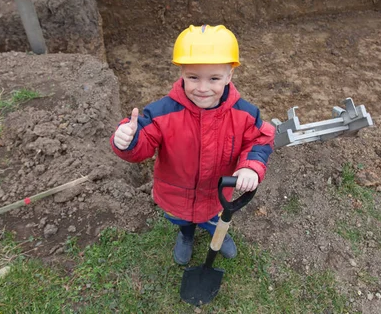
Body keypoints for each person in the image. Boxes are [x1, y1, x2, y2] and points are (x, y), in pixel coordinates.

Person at [111, 24, 275, 265]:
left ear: (230, 75)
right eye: (193, 77)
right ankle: (186, 236)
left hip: (216, 195)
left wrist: (250, 166)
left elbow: (260, 138)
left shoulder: (244, 114)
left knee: (215, 217)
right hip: (176, 194)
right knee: (182, 221)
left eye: (214, 78)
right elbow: (144, 143)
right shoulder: (162, 113)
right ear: (182, 74)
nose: (202, 88)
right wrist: (128, 140)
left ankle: (217, 231)